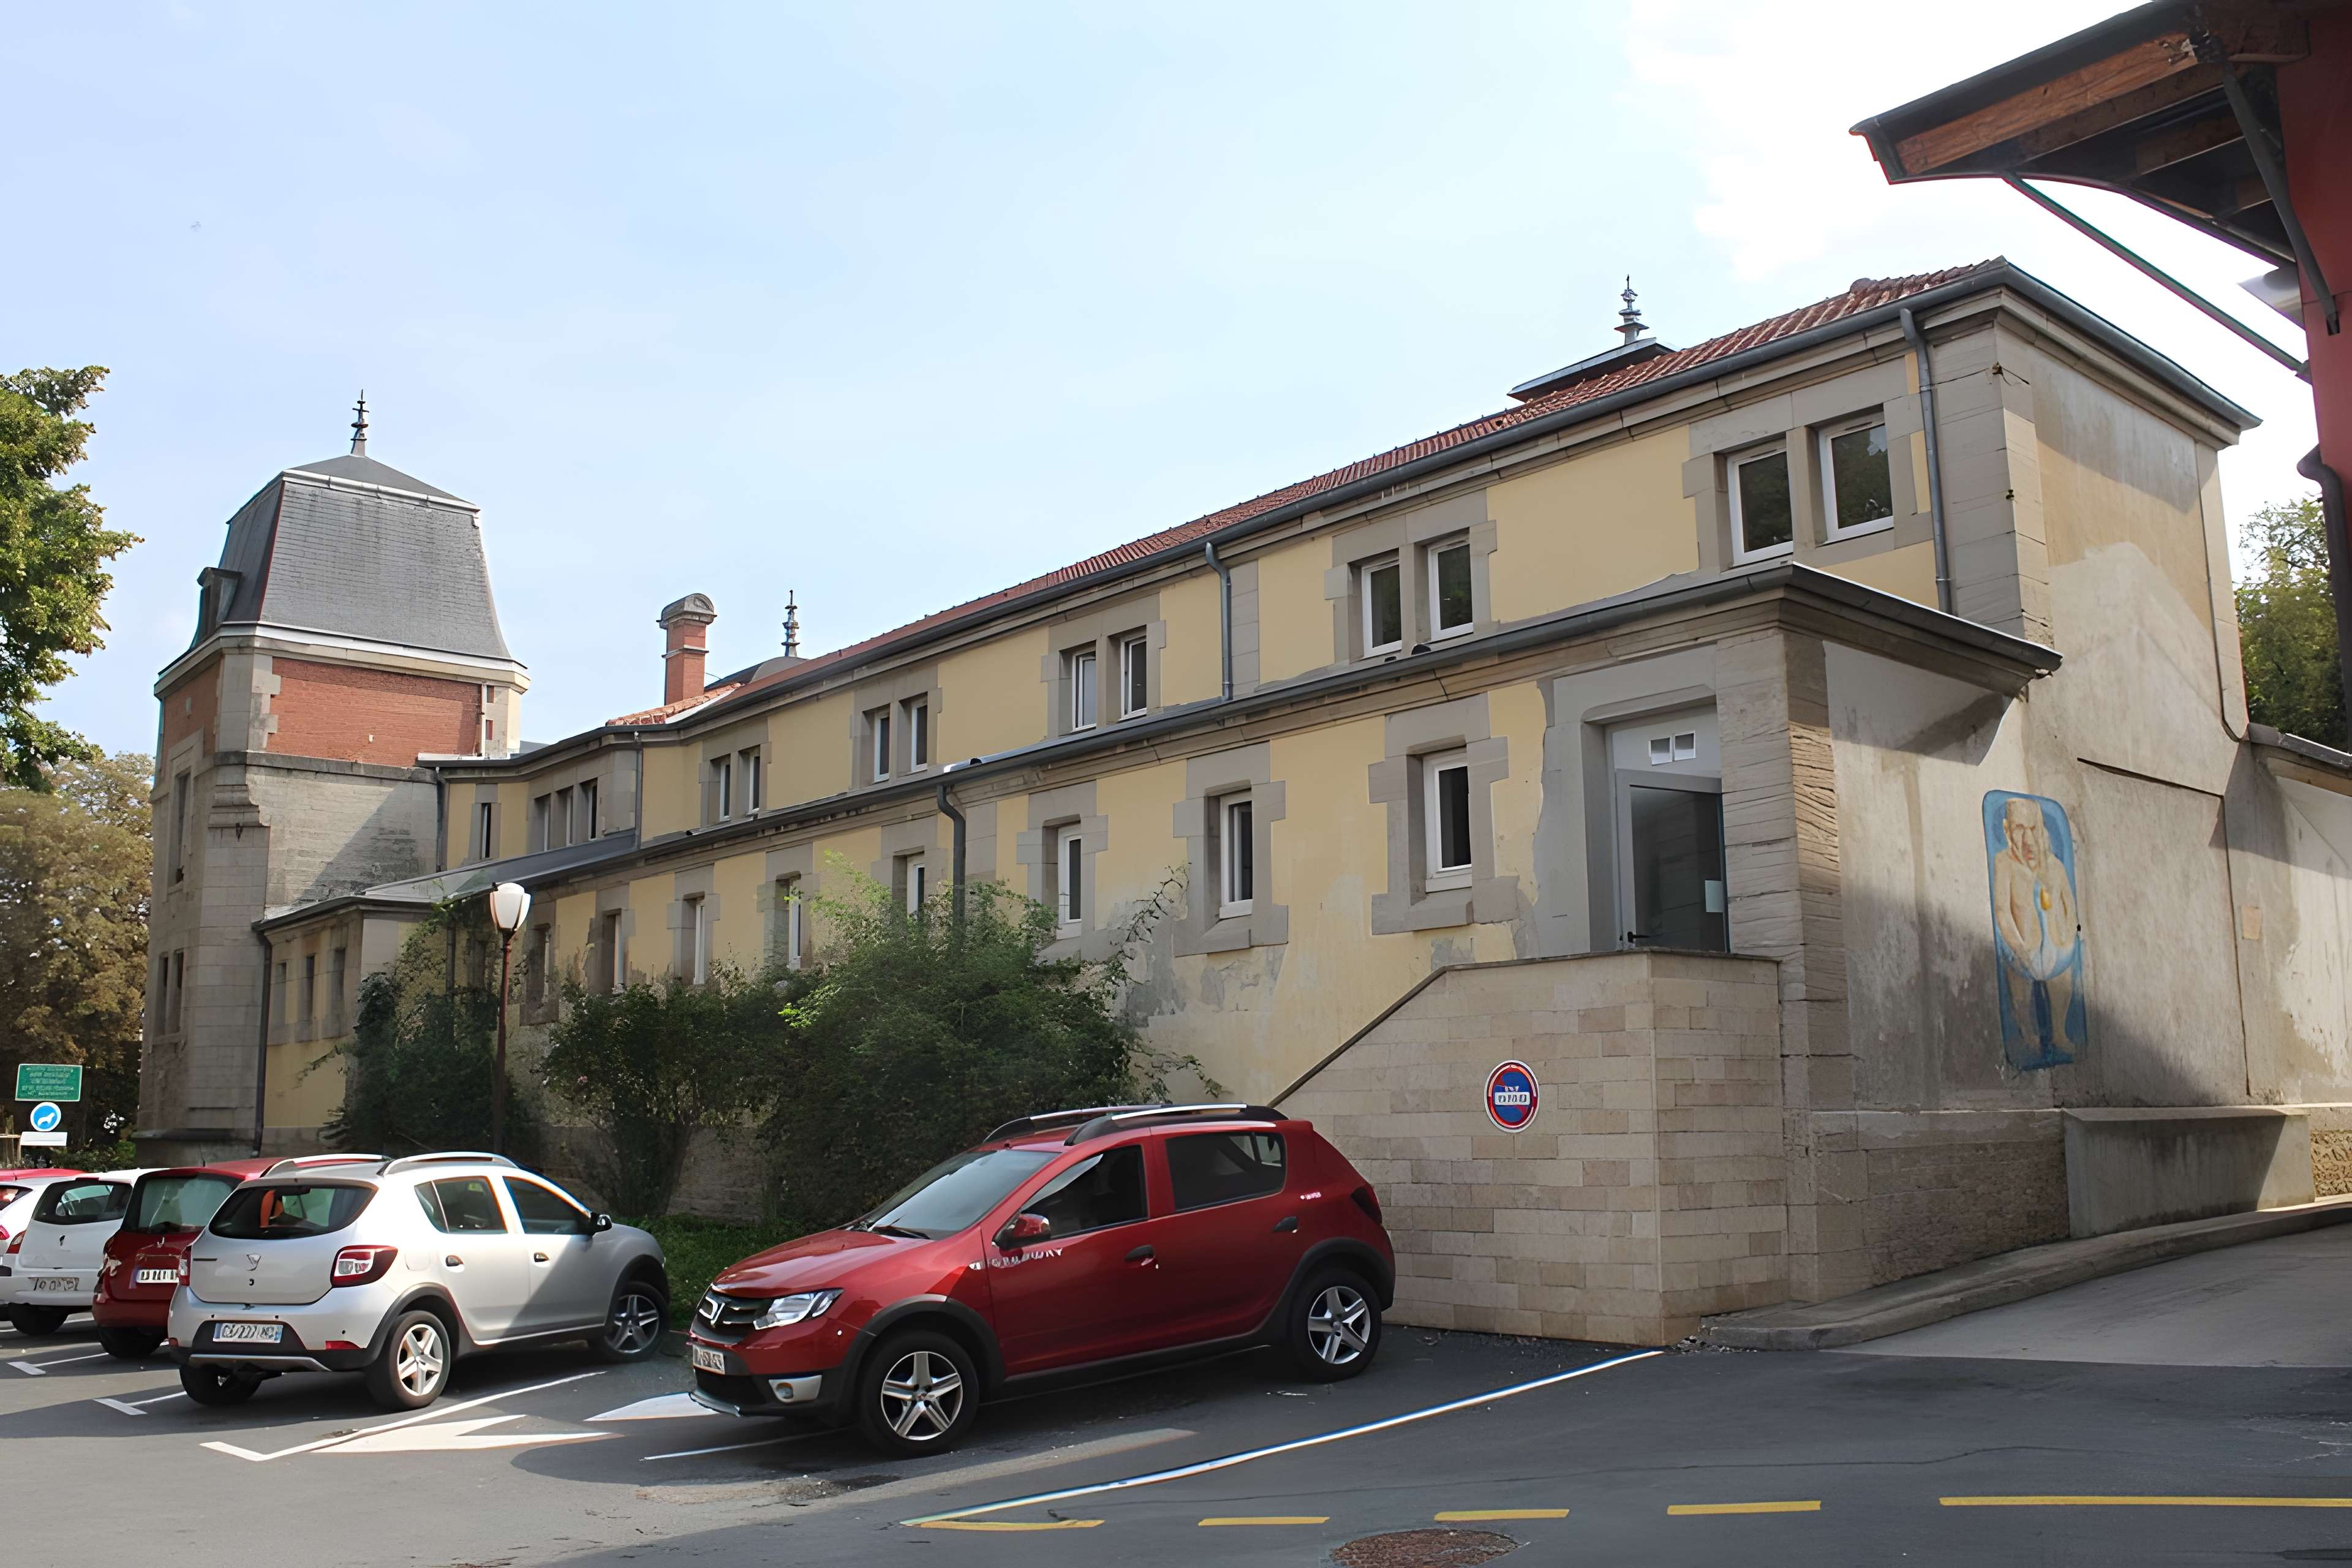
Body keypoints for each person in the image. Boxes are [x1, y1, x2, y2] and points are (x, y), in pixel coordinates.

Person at [1992, 796, 2078, 1056]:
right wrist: (2018, 948)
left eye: (2033, 829)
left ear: (2041, 830)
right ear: (2008, 830)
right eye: (2019, 829)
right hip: (2024, 950)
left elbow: (2070, 908)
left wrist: (2068, 940)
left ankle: (2059, 1032)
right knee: (2017, 979)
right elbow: (2002, 911)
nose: (2028, 839)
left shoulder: (2055, 867)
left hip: (2055, 947)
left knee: (2063, 976)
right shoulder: (2004, 865)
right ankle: (2028, 1034)